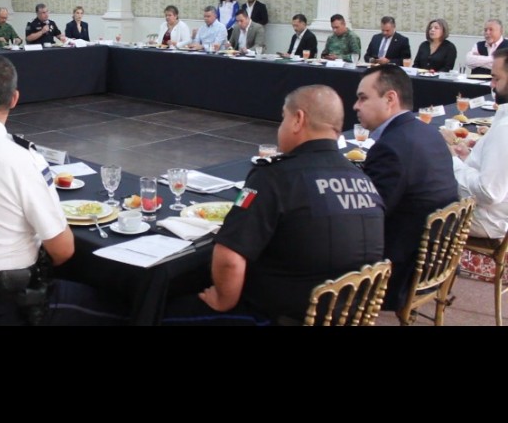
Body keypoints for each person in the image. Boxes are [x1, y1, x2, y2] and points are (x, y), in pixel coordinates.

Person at [0, 55, 128, 326]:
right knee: (128, 308)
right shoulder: (19, 159)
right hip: (6, 304)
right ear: (14, 99)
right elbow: (63, 250)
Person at [162, 85, 384, 325]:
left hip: (281, 316)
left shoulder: (274, 177)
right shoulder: (363, 179)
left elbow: (229, 258)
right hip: (347, 314)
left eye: (283, 118)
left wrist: (222, 299)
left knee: (160, 306)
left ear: (298, 120)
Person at [353, 64, 459, 311]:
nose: (356, 106)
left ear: (390, 99)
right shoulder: (428, 132)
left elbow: (367, 219)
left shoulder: (390, 147)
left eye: (363, 98)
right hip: (436, 262)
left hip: (399, 272)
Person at [443, 48, 508, 240]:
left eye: (496, 78)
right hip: (492, 215)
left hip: (484, 220)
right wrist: (468, 157)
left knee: (414, 200)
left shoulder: (505, 128)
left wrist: (453, 161)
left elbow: (489, 192)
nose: (492, 85)